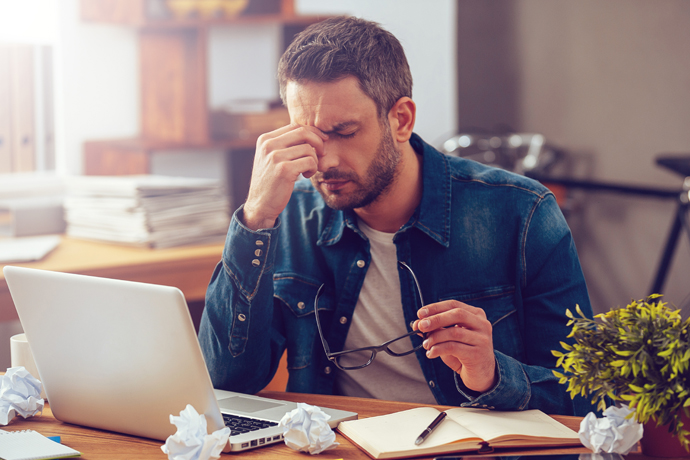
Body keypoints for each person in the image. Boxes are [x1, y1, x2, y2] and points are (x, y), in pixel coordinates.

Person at [199, 16, 594, 415]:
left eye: (345, 131)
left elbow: (587, 399)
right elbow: (226, 383)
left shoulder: (522, 213)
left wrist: (492, 375)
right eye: (310, 135)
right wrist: (255, 219)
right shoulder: (290, 213)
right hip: (340, 447)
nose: (325, 160)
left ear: (401, 119)